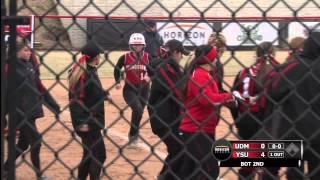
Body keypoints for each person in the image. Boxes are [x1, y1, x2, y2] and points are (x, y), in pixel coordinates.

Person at [261, 32, 320, 180]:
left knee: (294, 171)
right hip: (317, 132)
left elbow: (271, 94)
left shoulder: (287, 67)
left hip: (291, 130)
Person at [179, 45, 238, 179]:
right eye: (214, 57)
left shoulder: (204, 74)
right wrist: (228, 97)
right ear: (208, 59)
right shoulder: (199, 75)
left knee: (190, 170)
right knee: (210, 169)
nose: (217, 60)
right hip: (196, 130)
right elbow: (208, 99)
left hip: (202, 128)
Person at [4, 37, 60, 179]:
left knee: (23, 143)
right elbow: (4, 93)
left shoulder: (28, 65)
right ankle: (39, 174)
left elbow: (40, 87)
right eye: (26, 50)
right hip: (20, 112)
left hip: (31, 111)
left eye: (30, 49)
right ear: (16, 51)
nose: (30, 52)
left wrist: (54, 105)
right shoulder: (9, 68)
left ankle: (5, 168)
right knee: (36, 141)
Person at [231, 42, 279, 180]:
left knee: (248, 162)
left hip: (246, 119)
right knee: (271, 162)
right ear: (273, 53)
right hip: (269, 119)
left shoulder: (244, 72)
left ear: (256, 54)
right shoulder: (277, 70)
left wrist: (238, 120)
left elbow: (234, 96)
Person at [148, 39, 189, 179]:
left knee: (181, 150)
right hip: (164, 119)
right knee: (179, 149)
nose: (182, 57)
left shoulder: (170, 67)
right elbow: (177, 92)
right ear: (175, 52)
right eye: (181, 53)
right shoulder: (164, 68)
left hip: (171, 117)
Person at [68, 42, 108, 180]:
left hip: (91, 120)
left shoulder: (89, 71)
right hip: (88, 122)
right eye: (99, 55)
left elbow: (90, 91)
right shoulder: (84, 74)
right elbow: (76, 100)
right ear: (96, 57)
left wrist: (103, 95)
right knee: (99, 155)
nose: (100, 58)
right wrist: (82, 122)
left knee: (89, 154)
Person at [114, 33, 151, 146]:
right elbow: (117, 69)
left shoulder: (148, 57)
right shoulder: (125, 57)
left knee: (139, 113)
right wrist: (118, 80)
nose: (137, 47)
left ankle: (134, 132)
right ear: (131, 45)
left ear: (143, 45)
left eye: (140, 45)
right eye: (135, 45)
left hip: (144, 89)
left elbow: (155, 68)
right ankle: (133, 135)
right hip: (130, 89)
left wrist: (150, 75)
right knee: (138, 109)